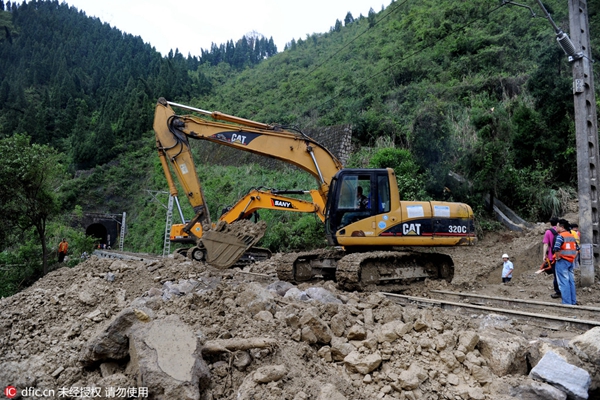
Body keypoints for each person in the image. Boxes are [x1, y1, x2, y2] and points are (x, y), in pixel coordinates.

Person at [552, 219, 578, 305]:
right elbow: (578, 249)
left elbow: (556, 248)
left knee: (563, 282)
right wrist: (572, 257)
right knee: (571, 282)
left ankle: (566, 303)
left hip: (562, 261)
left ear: (562, 227)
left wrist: (558, 258)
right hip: (570, 261)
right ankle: (573, 301)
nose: (556, 227)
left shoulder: (560, 236)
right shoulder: (571, 236)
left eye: (558, 226)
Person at [542, 217, 561, 299]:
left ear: (550, 224)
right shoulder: (561, 230)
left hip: (552, 257)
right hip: (562, 256)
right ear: (558, 223)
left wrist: (544, 255)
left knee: (556, 275)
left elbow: (546, 244)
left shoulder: (548, 232)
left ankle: (558, 292)